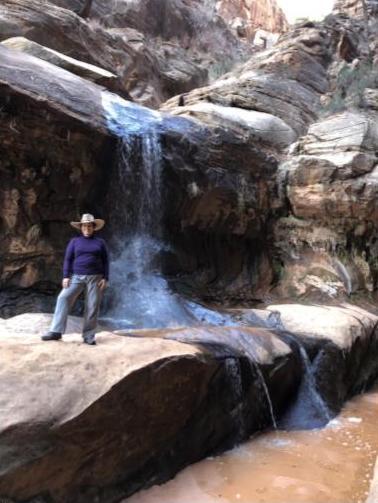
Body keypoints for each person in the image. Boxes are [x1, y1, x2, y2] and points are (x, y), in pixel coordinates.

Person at [42, 214, 109, 345]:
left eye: (89, 226)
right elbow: (68, 259)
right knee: (63, 298)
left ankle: (89, 335)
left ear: (93, 227)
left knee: (92, 306)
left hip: (95, 278)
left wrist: (106, 278)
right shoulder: (74, 241)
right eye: (84, 226)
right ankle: (56, 331)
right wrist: (66, 276)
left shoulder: (100, 242)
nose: (87, 228)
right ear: (81, 227)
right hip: (76, 276)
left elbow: (106, 261)